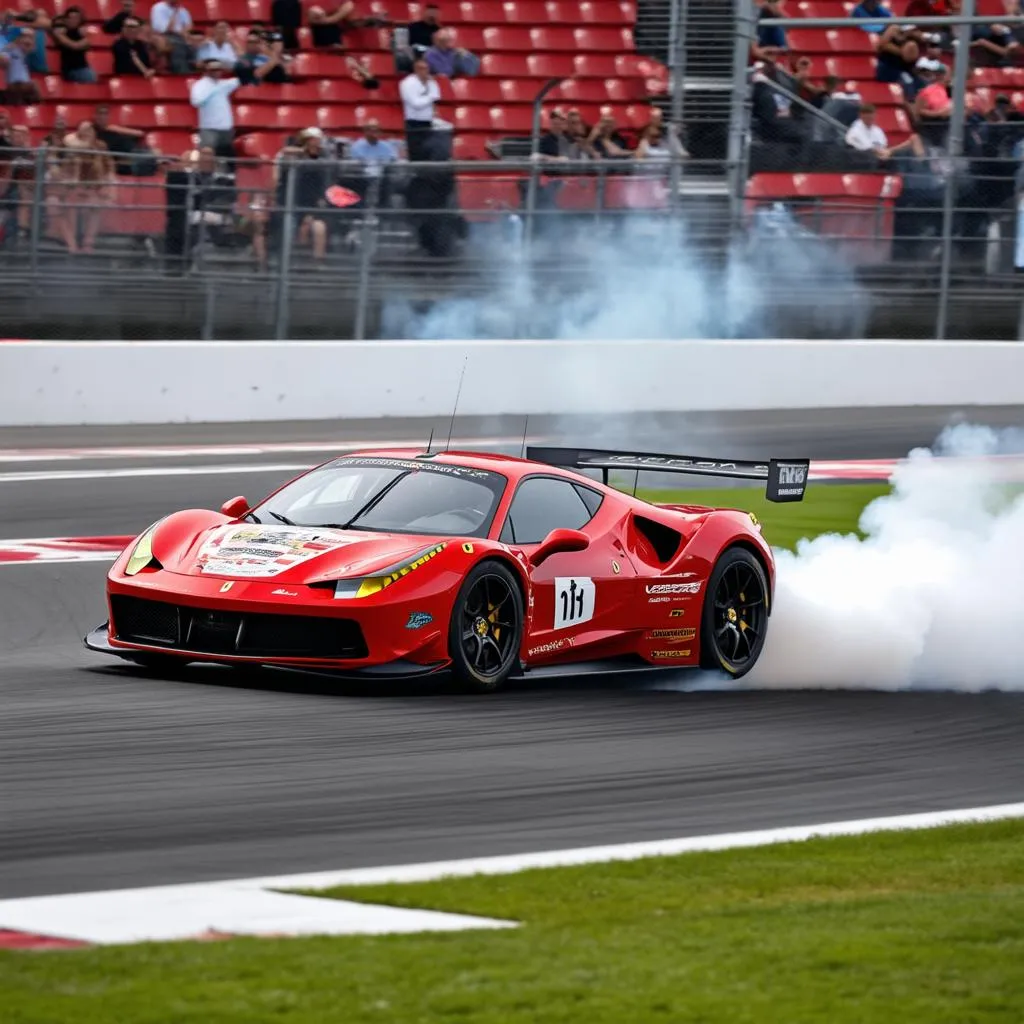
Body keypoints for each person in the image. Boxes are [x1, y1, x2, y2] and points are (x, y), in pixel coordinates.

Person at [51, 121, 115, 254]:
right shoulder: (69, 147)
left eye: (89, 130)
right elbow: (58, 172)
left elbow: (108, 170)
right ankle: (72, 244)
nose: (86, 133)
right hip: (68, 189)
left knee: (95, 204)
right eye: (83, 131)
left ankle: (88, 243)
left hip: (91, 189)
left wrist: (106, 187)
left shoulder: (100, 148)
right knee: (56, 203)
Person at [189, 59, 240, 159]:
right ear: (206, 70)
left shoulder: (224, 84)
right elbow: (196, 101)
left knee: (225, 158)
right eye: (213, 69)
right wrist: (213, 89)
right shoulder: (200, 85)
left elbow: (244, 79)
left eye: (219, 69)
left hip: (226, 128)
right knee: (207, 156)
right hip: (209, 128)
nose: (217, 72)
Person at [399, 57, 440, 161]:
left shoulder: (431, 82)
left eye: (426, 68)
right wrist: (430, 97)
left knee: (428, 154)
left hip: (428, 123)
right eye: (421, 68)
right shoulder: (407, 83)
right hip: (414, 123)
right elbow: (416, 103)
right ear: (415, 69)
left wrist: (429, 97)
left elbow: (437, 96)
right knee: (416, 154)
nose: (424, 71)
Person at [52, 7, 96, 83]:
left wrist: (59, 36)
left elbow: (76, 46)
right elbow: (52, 23)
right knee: (89, 76)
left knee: (90, 75)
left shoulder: (83, 33)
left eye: (76, 18)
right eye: (71, 18)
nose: (74, 20)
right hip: (68, 70)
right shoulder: (62, 32)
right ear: (66, 19)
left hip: (81, 68)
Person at [150, 0, 193, 73]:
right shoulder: (158, 8)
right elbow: (166, 29)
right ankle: (182, 73)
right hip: (165, 36)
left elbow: (189, 26)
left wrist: (184, 34)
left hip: (182, 36)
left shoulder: (183, 10)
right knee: (177, 45)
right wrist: (175, 13)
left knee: (196, 44)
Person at [1, 29, 40, 105]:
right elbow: (4, 61)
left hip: (22, 83)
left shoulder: (22, 51)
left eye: (29, 38)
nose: (27, 40)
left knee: (34, 86)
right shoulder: (8, 49)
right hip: (14, 84)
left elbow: (31, 47)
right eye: (24, 37)